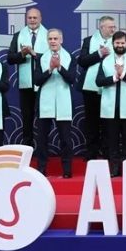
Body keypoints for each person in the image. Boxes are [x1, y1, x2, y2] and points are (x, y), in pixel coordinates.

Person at [96, 31, 126, 177]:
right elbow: (98, 81)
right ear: (113, 44)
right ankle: (114, 168)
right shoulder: (105, 61)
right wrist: (114, 78)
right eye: (117, 43)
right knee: (112, 140)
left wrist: (123, 75)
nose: (120, 45)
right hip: (110, 107)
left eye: (122, 43)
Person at [33, 29, 75, 178]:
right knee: (42, 139)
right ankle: (42, 169)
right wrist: (50, 69)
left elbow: (72, 79)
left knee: (66, 139)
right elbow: (37, 80)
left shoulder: (69, 57)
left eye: (55, 39)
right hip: (45, 102)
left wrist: (60, 68)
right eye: (50, 39)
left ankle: (67, 171)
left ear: (61, 40)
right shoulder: (41, 58)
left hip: (63, 102)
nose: (53, 41)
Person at [7, 8, 48, 147]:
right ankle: (27, 147)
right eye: (30, 17)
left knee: (43, 117)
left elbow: (52, 57)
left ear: (40, 18)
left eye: (35, 17)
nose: (32, 20)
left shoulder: (49, 35)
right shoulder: (18, 35)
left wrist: (34, 54)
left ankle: (43, 147)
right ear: (26, 19)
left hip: (44, 83)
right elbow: (10, 58)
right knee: (27, 117)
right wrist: (23, 54)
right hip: (26, 85)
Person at [77, 15, 116, 161]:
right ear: (101, 27)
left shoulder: (117, 40)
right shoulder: (89, 40)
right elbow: (82, 61)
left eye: (114, 27)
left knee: (108, 121)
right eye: (110, 27)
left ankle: (107, 152)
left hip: (109, 85)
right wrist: (99, 53)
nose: (113, 29)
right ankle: (91, 152)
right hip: (90, 87)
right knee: (91, 121)